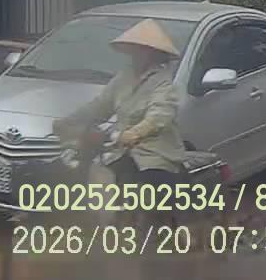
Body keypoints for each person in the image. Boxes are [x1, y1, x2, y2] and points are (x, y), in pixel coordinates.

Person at [54, 18, 187, 187]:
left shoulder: (163, 82)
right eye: (134, 49)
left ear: (153, 53)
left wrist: (135, 133)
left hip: (154, 156)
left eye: (141, 50)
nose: (136, 54)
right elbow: (99, 106)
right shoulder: (124, 77)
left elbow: (158, 117)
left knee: (142, 191)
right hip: (120, 152)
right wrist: (68, 121)